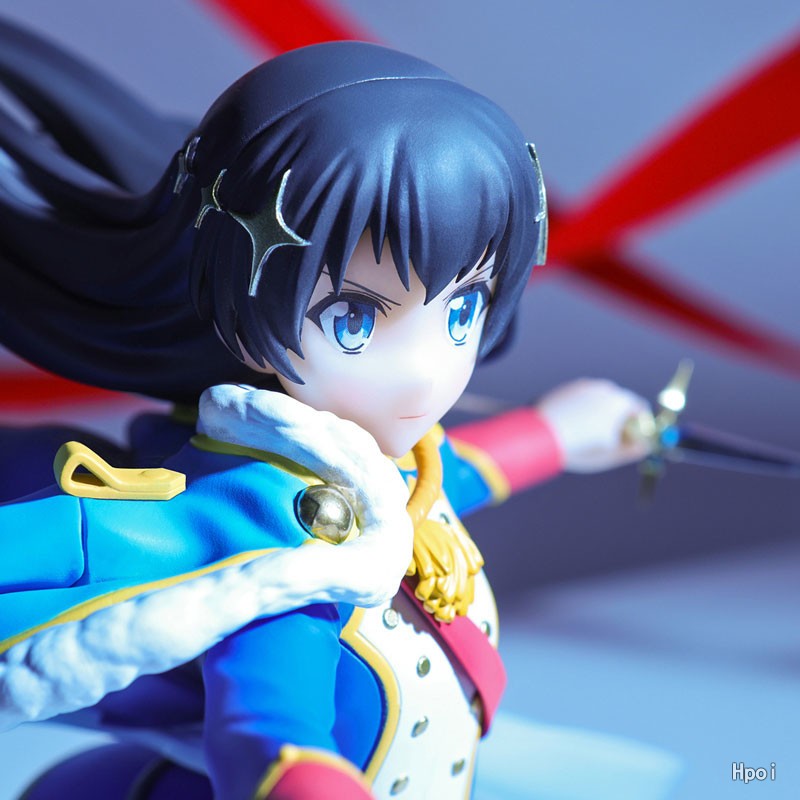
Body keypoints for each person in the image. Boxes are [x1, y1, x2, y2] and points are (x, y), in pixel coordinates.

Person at [0, 20, 656, 799]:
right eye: (353, 320)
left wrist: (559, 432)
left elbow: (451, 478)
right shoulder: (277, 557)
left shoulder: (381, 474)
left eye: (461, 311)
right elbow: (265, 729)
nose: (423, 374)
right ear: (243, 300)